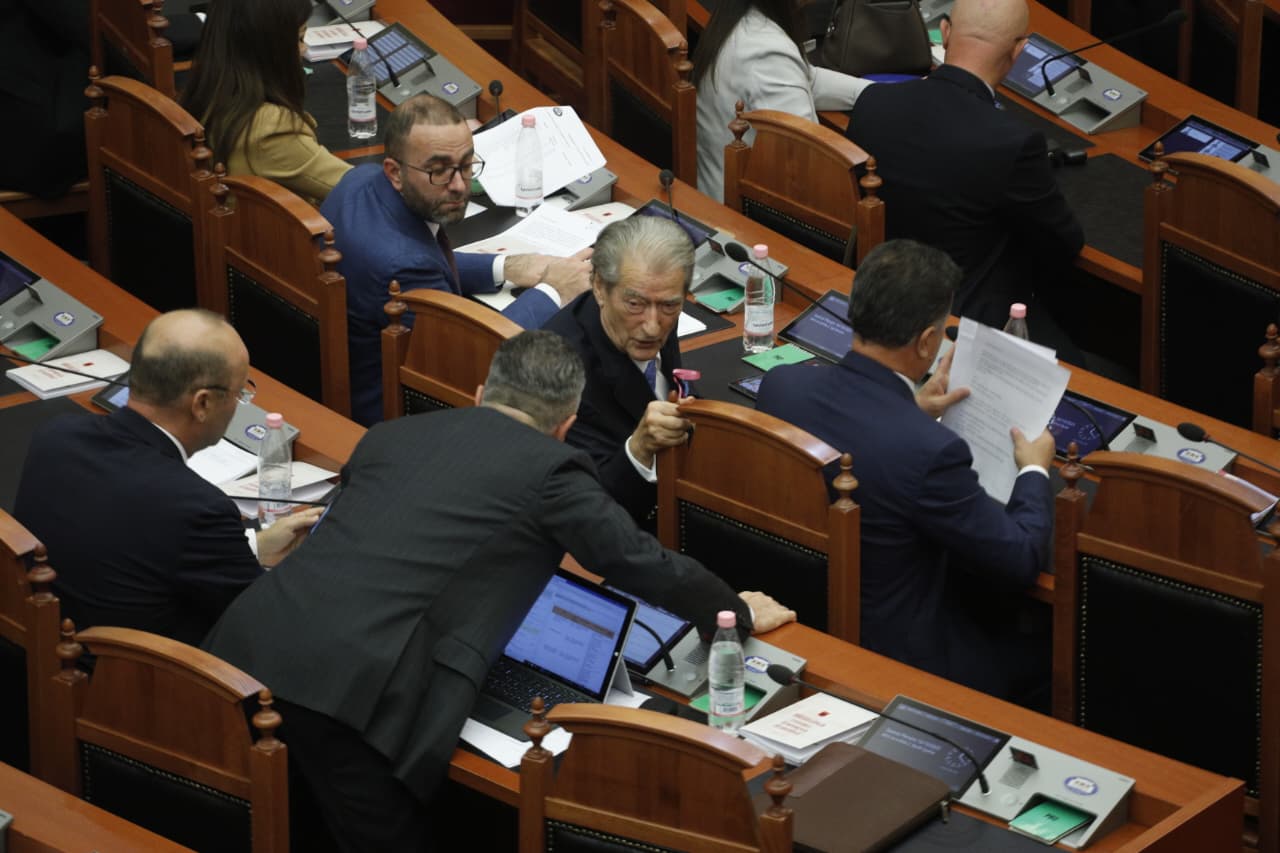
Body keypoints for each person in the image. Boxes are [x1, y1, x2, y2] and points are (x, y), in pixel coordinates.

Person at [203, 330, 795, 851]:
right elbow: (644, 563)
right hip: (352, 696)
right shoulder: (553, 470)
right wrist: (733, 613)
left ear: (482, 392)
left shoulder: (392, 435)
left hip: (241, 649)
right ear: (567, 424)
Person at [755, 240, 1055, 701]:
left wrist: (910, 408)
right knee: (1049, 651)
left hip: (802, 617)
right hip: (903, 662)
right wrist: (1033, 470)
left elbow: (861, 440)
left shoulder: (781, 386)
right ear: (927, 342)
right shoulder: (931, 451)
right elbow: (1020, 559)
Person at [13, 310, 320, 646]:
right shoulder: (196, 508)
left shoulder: (56, 436)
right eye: (239, 394)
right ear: (202, 404)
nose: (238, 405)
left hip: (41, 650)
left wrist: (254, 545)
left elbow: (132, 538)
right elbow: (265, 622)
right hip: (130, 673)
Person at [320, 94, 592, 425]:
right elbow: (472, 359)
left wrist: (504, 267)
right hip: (399, 419)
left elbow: (419, 257)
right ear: (394, 172)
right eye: (439, 171)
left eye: (465, 165)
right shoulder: (402, 265)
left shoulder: (360, 180)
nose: (459, 186)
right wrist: (553, 290)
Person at [844, 0, 1084, 353]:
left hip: (873, 305)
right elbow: (1065, 242)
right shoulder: (1012, 142)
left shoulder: (872, 103)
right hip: (960, 330)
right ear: (1019, 51)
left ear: (944, 32)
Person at [543, 215, 696, 522]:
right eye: (634, 304)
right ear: (600, 287)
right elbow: (590, 512)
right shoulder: (559, 372)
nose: (653, 327)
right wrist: (639, 448)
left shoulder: (651, 308)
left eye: (669, 306)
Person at [691, 0, 874, 202]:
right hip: (741, 214)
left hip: (727, 196)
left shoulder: (744, 22)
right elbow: (808, 166)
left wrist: (881, 93)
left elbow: (807, 78)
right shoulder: (766, 52)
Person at [181, 0, 351, 203]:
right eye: (299, 39)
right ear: (269, 48)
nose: (304, 49)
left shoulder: (207, 91)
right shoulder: (269, 131)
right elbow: (365, 193)